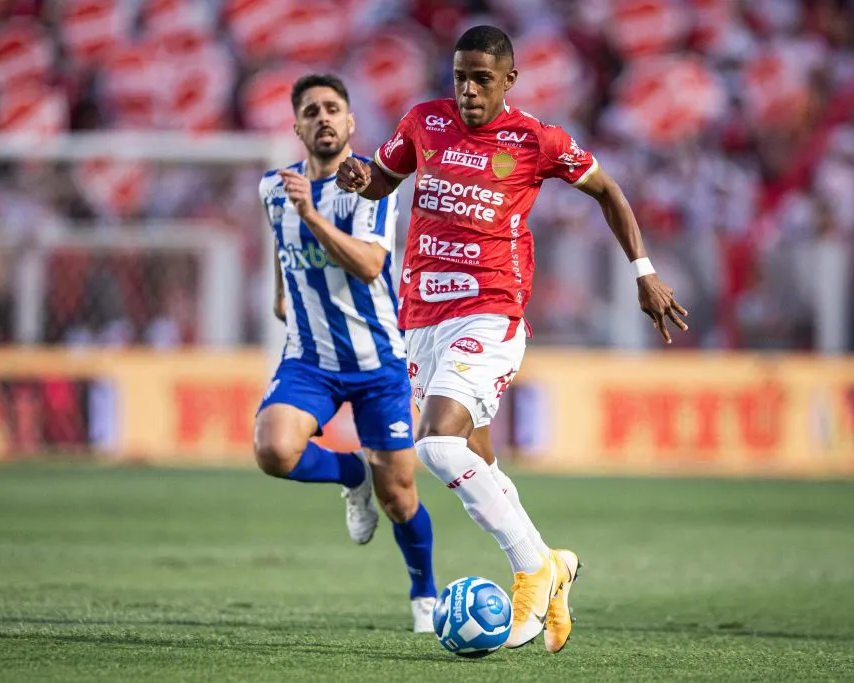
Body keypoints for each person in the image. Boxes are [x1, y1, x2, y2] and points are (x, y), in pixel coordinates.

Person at [336, 26, 689, 652]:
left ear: (508, 81)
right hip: (421, 317)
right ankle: (555, 563)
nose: (468, 90)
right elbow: (384, 179)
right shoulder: (423, 122)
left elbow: (607, 190)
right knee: (478, 457)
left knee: (437, 446)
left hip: (491, 312)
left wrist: (644, 272)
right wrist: (359, 177)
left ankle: (533, 568)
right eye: (459, 77)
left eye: (480, 78)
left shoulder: (536, 140)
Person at [255, 74, 437, 633]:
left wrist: (312, 216)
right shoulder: (272, 189)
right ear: (297, 127)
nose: (324, 118)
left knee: (400, 497)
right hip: (310, 358)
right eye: (311, 111)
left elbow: (370, 265)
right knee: (274, 450)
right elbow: (284, 252)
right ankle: (347, 472)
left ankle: (424, 591)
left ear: (351, 122)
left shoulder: (369, 186)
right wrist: (284, 295)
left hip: (378, 360)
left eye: (333, 108)